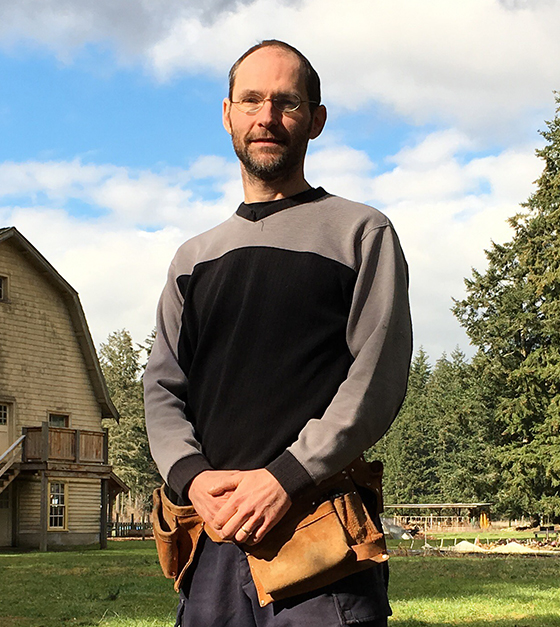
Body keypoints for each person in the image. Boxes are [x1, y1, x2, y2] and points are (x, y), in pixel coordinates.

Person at [143, 40, 412, 627]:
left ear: (315, 119)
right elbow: (161, 388)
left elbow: (378, 376)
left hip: (321, 543)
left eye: (287, 103)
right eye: (252, 100)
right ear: (228, 114)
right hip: (211, 544)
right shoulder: (193, 257)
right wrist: (195, 480)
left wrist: (285, 477)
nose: (267, 117)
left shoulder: (361, 233)